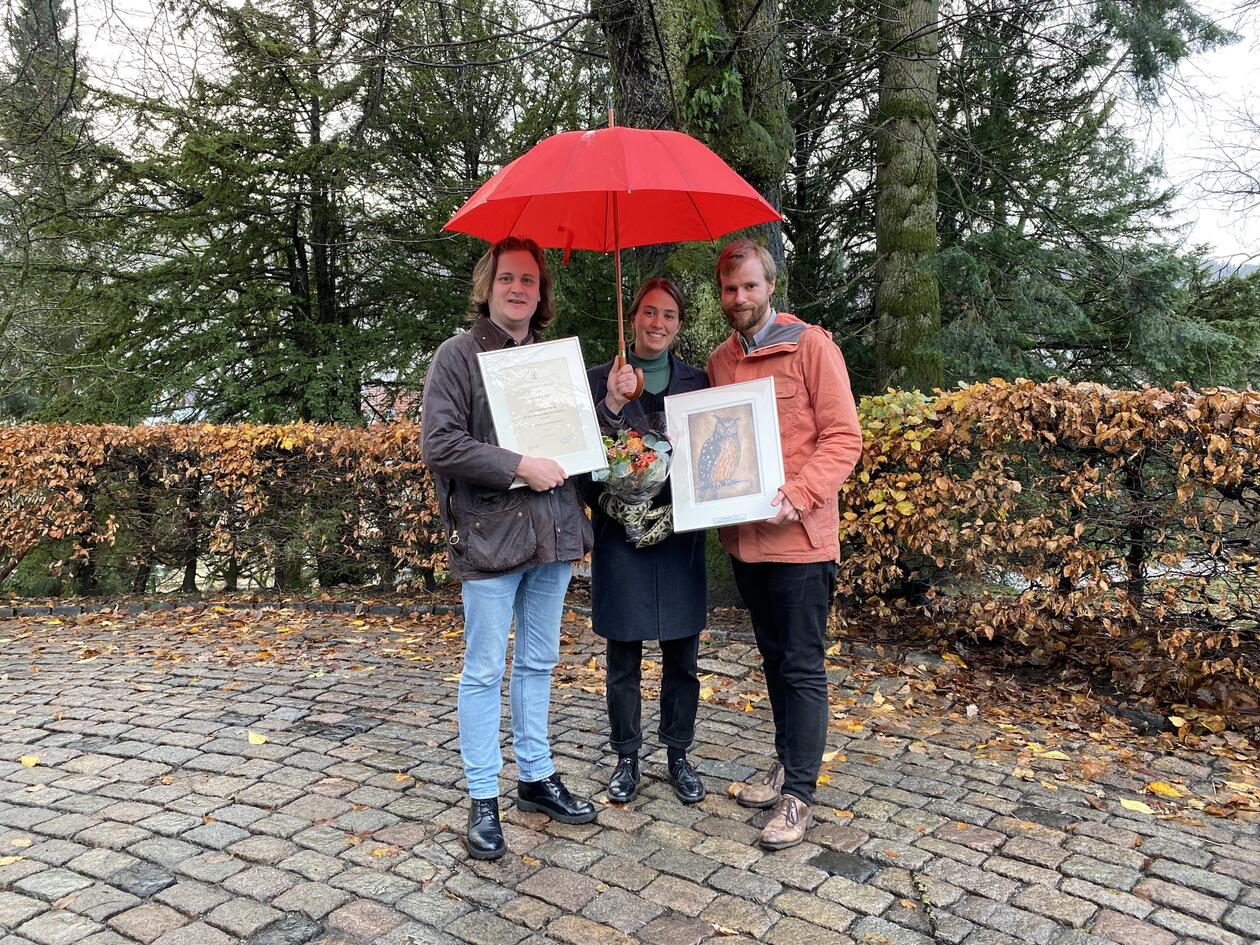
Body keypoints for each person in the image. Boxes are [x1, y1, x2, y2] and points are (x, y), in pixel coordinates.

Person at [421, 236, 597, 861]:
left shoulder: (551, 360)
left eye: (529, 280)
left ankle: (535, 778)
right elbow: (440, 444)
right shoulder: (458, 356)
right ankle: (482, 797)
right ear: (487, 287)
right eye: (507, 278)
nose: (518, 289)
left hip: (553, 533)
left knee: (538, 662)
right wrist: (519, 463)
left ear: (540, 292)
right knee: (484, 668)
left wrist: (611, 402)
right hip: (491, 537)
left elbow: (575, 443)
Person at [706, 238, 862, 850]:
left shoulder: (811, 347)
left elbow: (844, 437)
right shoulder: (721, 362)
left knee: (801, 666)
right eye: (730, 289)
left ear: (770, 286)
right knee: (773, 661)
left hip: (800, 539)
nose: (739, 297)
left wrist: (801, 493)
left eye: (750, 286)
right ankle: (785, 763)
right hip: (747, 544)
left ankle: (800, 794)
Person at [587, 277, 709, 805]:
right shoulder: (598, 380)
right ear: (633, 316)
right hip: (620, 539)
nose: (658, 323)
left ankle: (678, 754)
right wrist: (611, 407)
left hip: (680, 538)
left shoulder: (698, 382)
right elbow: (581, 464)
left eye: (669, 315)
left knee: (683, 657)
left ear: (678, 325)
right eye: (649, 312)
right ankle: (626, 757)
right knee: (624, 659)